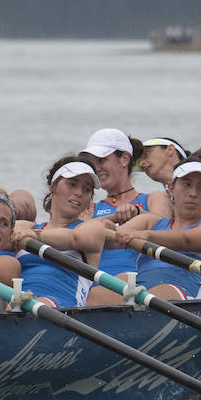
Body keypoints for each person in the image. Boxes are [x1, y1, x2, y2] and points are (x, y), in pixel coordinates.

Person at [114, 155, 201, 300]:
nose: (193, 193)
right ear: (172, 189)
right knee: (101, 293)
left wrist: (145, 236)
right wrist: (103, 225)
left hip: (185, 297)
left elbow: (185, 239)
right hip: (143, 293)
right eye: (187, 184)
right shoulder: (149, 222)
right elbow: (111, 240)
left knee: (163, 292)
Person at [83, 128, 171, 305]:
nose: (96, 169)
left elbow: (166, 231)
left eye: (101, 160)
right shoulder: (89, 208)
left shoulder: (154, 198)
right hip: (94, 286)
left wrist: (138, 214)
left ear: (124, 159)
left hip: (139, 286)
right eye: (93, 163)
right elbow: (77, 236)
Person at [9, 157, 104, 307]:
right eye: (72, 184)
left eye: (87, 190)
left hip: (64, 308)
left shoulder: (93, 229)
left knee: (30, 305)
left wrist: (35, 235)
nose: (79, 193)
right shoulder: (24, 227)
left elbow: (73, 238)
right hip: (17, 302)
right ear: (52, 187)